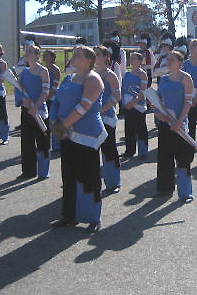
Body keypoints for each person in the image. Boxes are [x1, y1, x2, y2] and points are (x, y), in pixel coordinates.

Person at [51, 46, 106, 233]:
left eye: (77, 55)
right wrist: (53, 122)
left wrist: (64, 124)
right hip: (66, 134)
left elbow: (84, 106)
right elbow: (57, 101)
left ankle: (93, 218)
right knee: (69, 175)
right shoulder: (69, 78)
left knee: (89, 176)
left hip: (86, 136)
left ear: (88, 60)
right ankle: (69, 215)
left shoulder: (93, 79)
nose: (73, 57)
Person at [155, 50, 196, 203]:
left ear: (180, 62)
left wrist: (179, 121)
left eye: (172, 59)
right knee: (165, 156)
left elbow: (188, 102)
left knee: (182, 157)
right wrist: (158, 114)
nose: (169, 61)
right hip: (165, 123)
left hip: (180, 123)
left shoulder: (186, 78)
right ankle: (165, 189)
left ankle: (185, 192)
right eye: (167, 59)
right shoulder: (164, 79)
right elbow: (158, 100)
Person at [18, 44, 51, 180]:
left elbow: (45, 92)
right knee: (26, 142)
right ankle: (28, 171)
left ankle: (43, 172)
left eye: (31, 52)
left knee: (42, 141)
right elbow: (19, 88)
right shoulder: (24, 72)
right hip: (26, 110)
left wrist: (35, 106)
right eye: (27, 51)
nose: (27, 54)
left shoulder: (43, 71)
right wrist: (23, 100)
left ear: (37, 55)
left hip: (39, 112)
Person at [94, 45, 122, 194]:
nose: (95, 57)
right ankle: (93, 181)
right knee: (92, 150)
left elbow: (117, 97)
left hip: (107, 118)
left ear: (106, 57)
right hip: (92, 118)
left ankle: (113, 181)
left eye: (97, 54)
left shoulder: (111, 75)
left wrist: (103, 108)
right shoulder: (90, 74)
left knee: (109, 150)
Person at [121, 52, 149, 158]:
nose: (131, 60)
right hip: (128, 105)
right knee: (129, 129)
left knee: (141, 129)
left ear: (140, 61)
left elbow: (143, 91)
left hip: (138, 106)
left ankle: (143, 151)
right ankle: (129, 151)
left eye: (134, 58)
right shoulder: (127, 74)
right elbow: (123, 90)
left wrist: (134, 102)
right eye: (131, 58)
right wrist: (124, 104)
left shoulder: (142, 74)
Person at [43, 49, 61, 152]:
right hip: (44, 97)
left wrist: (49, 95)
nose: (44, 56)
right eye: (44, 55)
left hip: (53, 98)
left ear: (52, 57)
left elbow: (55, 84)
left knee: (53, 121)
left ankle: (56, 145)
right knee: (45, 122)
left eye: (47, 55)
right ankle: (46, 144)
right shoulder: (44, 69)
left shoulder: (55, 69)